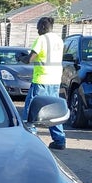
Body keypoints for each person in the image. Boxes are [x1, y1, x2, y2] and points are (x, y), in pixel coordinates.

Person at [25, 17, 66, 150]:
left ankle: (30, 139)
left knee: (30, 111)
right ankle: (59, 140)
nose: (37, 31)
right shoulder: (58, 40)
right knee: (54, 111)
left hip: (41, 80)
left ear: (43, 27)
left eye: (38, 28)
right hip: (55, 80)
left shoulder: (41, 39)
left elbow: (30, 59)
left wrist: (21, 58)